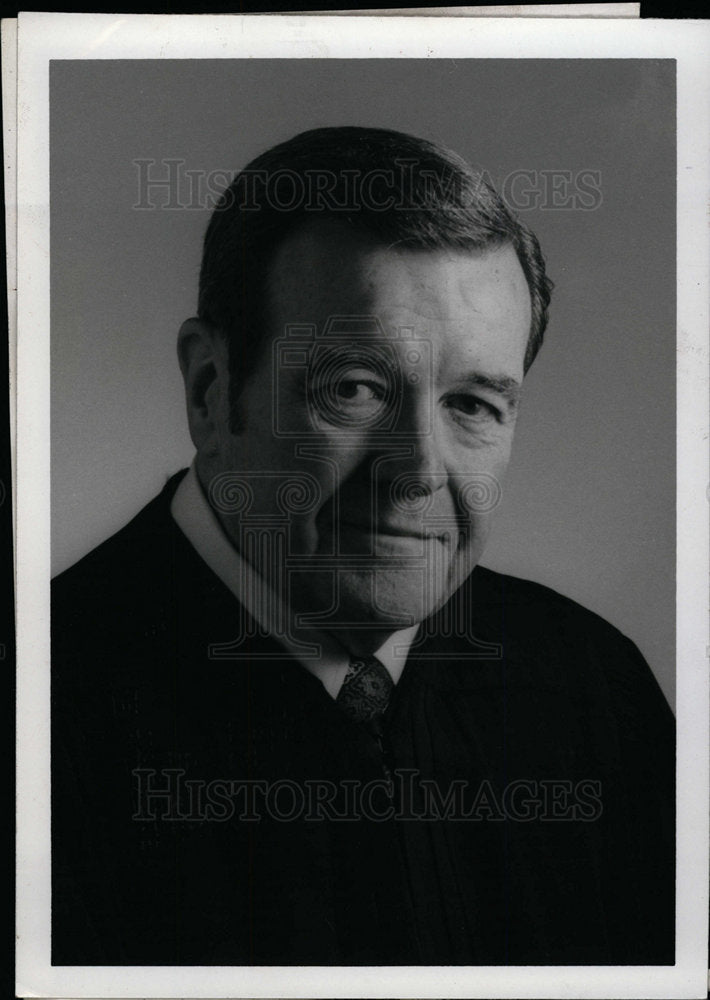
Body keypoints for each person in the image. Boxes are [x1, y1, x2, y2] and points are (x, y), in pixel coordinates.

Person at [51, 126, 675, 967]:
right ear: (209, 391)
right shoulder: (42, 720)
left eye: (473, 405)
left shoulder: (598, 688)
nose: (418, 470)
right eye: (355, 387)